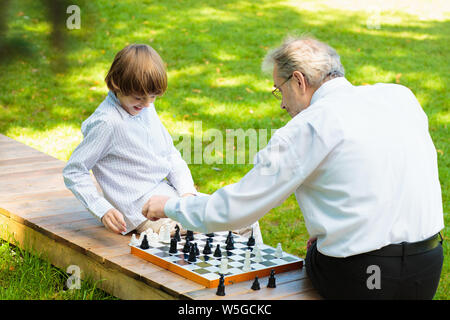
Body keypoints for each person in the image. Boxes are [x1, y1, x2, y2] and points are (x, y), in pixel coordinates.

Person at [142, 36, 444, 299]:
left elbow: (235, 210)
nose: (282, 104)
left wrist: (171, 206)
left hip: (364, 277)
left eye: (278, 89)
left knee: (318, 252)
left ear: (298, 81)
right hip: (427, 266)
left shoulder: (307, 127)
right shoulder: (400, 97)